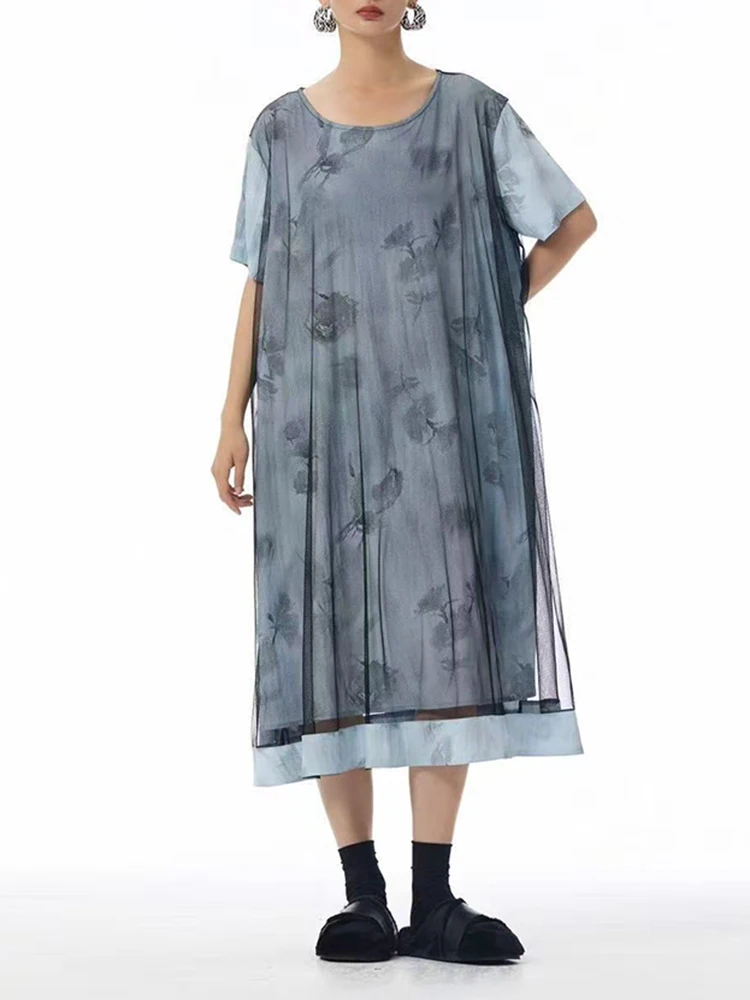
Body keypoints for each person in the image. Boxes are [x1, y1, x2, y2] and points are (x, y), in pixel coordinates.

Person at [211, 0, 597, 966]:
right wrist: (228, 418)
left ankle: (433, 898)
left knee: (444, 635)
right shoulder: (278, 131)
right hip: (313, 424)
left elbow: (571, 223)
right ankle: (363, 896)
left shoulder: (471, 113)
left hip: (439, 423)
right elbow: (261, 280)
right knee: (326, 635)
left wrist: (481, 313)